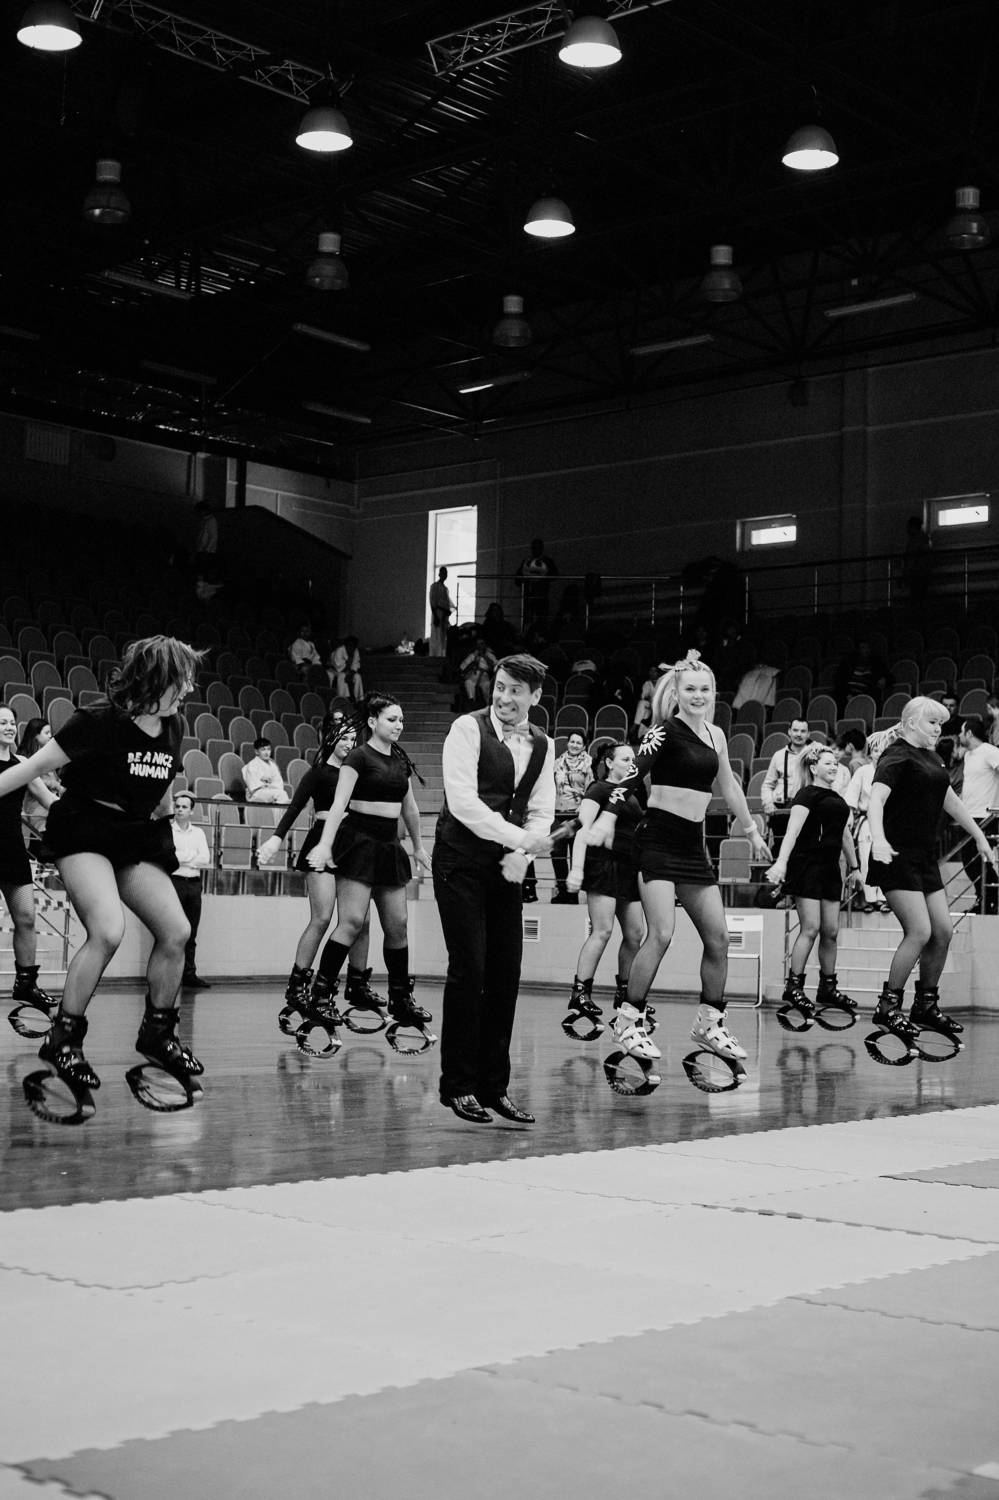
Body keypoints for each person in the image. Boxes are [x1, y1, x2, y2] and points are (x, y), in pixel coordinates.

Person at [0, 636, 205, 1108]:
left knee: (176, 930)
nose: (189, 689)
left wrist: (167, 822)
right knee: (108, 931)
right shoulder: (96, 721)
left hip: (134, 834)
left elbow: (165, 783)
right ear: (156, 680)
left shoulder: (175, 724)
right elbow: (28, 769)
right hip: (85, 828)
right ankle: (63, 1040)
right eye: (182, 680)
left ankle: (158, 1035)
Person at [617, 652, 771, 1073]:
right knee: (661, 934)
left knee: (718, 938)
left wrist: (751, 830)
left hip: (691, 847)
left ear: (713, 693)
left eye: (705, 689)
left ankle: (710, 1023)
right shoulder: (663, 731)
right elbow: (632, 776)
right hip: (656, 841)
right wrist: (604, 812)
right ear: (677, 693)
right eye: (690, 689)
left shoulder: (717, 735)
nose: (698, 696)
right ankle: (628, 1021)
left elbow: (730, 785)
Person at [433, 653, 555, 1124]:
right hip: (459, 861)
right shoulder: (467, 729)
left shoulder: (544, 744)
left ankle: (494, 1087)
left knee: (505, 974)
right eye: (500, 687)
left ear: (534, 697)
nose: (503, 697)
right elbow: (463, 803)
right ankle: (458, 1085)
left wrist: (525, 852)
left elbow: (541, 809)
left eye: (515, 691)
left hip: (506, 868)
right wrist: (520, 839)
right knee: (470, 969)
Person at [866, 697, 997, 1044]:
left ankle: (925, 1004)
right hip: (894, 855)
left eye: (941, 724)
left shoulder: (932, 758)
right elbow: (875, 800)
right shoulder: (896, 756)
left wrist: (979, 835)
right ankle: (888, 1006)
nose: (939, 730)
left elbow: (949, 801)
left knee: (943, 931)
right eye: (932, 723)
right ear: (911, 723)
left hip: (923, 858)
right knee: (919, 931)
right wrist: (878, 839)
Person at [304, 693, 433, 1044]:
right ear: (373, 722)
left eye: (401, 720)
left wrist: (419, 846)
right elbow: (338, 805)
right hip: (358, 844)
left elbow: (410, 809)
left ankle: (401, 998)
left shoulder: (400, 760)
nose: (399, 725)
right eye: (392, 719)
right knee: (352, 922)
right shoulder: (358, 757)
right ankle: (320, 995)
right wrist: (325, 844)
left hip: (389, 847)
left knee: (398, 925)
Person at [257, 716, 385, 1022]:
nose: (349, 744)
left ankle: (357, 983)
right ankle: (297, 985)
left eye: (352, 738)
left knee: (362, 920)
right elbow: (295, 807)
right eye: (343, 737)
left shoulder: (357, 773)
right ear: (329, 738)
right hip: (321, 844)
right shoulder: (319, 772)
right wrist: (275, 839)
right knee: (322, 917)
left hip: (353, 847)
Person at [766, 743, 861, 1019]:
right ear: (813, 768)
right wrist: (781, 862)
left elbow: (845, 835)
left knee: (830, 930)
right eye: (828, 763)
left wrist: (855, 867)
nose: (834, 767)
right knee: (811, 928)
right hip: (806, 866)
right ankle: (794, 987)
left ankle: (828, 987)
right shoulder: (805, 795)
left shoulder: (838, 799)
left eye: (835, 763)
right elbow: (792, 832)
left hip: (830, 869)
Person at [564, 741, 646, 1027]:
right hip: (603, 865)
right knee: (603, 930)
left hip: (628, 867)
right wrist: (576, 869)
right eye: (625, 759)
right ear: (609, 763)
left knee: (635, 934)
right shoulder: (598, 789)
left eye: (634, 760)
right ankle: (580, 992)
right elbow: (582, 829)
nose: (631, 764)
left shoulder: (633, 792)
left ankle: (626, 995)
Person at [0, 706, 58, 1016]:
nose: (9, 727)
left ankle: (26, 984)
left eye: (11, 722)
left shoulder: (22, 764)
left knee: (26, 918)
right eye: (2, 722)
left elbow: (49, 801)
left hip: (11, 850)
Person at [957, 716, 999, 914]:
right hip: (968, 815)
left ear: (969, 733)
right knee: (969, 861)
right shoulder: (968, 755)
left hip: (985, 815)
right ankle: (984, 897)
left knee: (981, 860)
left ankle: (990, 899)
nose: (959, 736)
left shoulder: (989, 751)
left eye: (961, 732)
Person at [170, 790, 212, 989]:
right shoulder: (168, 831)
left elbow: (205, 858)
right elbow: (170, 857)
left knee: (191, 932)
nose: (180, 809)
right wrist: (191, 857)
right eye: (177, 806)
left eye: (184, 807)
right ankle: (170, 974)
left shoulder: (198, 833)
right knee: (172, 931)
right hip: (174, 882)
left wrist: (183, 857)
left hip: (194, 883)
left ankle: (189, 975)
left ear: (191, 811)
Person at [550, 731, 591, 902]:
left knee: (576, 855)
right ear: (568, 743)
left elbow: (591, 789)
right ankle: (562, 891)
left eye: (578, 743)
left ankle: (573, 893)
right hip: (558, 812)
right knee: (557, 854)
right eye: (572, 741)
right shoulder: (557, 763)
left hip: (577, 815)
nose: (574, 745)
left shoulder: (588, 764)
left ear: (584, 746)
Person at [761, 718, 811, 842]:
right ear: (789, 732)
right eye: (795, 730)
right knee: (780, 846)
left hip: (806, 809)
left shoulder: (814, 755)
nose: (799, 734)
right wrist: (768, 803)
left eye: (803, 731)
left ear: (808, 734)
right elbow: (768, 784)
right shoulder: (778, 755)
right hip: (781, 809)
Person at [17, 717, 62, 838]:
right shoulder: (25, 760)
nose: (50, 736)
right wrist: (56, 785)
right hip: (38, 815)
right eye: (46, 733)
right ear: (35, 736)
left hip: (50, 811)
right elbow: (38, 784)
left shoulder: (47, 758)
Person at [514, 538, 558, 627]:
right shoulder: (527, 561)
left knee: (541, 620)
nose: (536, 550)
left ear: (542, 549)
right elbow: (517, 579)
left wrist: (543, 577)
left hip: (541, 596)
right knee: (528, 621)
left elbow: (555, 575)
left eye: (538, 548)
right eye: (534, 548)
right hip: (529, 596)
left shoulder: (546, 561)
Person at [242, 738, 289, 804]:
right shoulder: (252, 765)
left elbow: (278, 783)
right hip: (256, 794)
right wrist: (267, 785)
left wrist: (268, 785)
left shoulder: (273, 765)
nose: (267, 752)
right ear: (256, 751)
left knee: (282, 793)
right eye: (263, 750)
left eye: (268, 749)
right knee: (280, 795)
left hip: (271, 791)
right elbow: (254, 787)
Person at [459, 638, 496, 707]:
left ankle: (488, 705)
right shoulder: (473, 655)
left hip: (485, 676)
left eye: (481, 644)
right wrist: (473, 662)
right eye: (478, 644)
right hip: (474, 674)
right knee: (468, 682)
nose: (480, 646)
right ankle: (471, 701)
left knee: (487, 685)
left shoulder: (490, 655)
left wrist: (484, 656)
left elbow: (496, 665)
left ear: (485, 645)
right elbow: (462, 666)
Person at [428, 567, 455, 659]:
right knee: (436, 634)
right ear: (439, 574)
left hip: (444, 615)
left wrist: (448, 612)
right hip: (437, 613)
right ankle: (434, 656)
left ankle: (441, 655)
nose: (444, 575)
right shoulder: (434, 586)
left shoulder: (445, 589)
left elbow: (447, 603)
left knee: (443, 636)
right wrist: (435, 615)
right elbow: (432, 601)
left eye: (445, 573)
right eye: (443, 573)